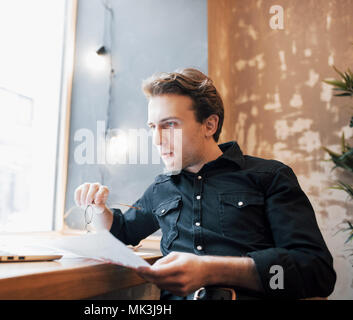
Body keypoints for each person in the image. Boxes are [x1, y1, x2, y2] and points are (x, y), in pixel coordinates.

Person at [74, 68, 336, 300]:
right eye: (153, 126)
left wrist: (209, 269)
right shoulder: (161, 188)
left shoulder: (270, 176)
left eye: (170, 125)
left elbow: (315, 270)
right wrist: (99, 209)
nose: (156, 139)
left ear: (209, 124)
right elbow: (121, 232)